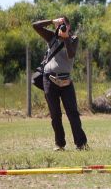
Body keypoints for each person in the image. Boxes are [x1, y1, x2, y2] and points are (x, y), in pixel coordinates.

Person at [32, 17, 88, 151]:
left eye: (65, 25)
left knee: (72, 113)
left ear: (69, 26)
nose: (62, 27)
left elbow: (71, 54)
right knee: (55, 114)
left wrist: (66, 37)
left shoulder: (73, 39)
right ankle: (59, 144)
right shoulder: (51, 37)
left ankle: (81, 144)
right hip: (49, 79)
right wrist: (51, 21)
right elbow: (35, 26)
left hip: (66, 81)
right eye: (60, 25)